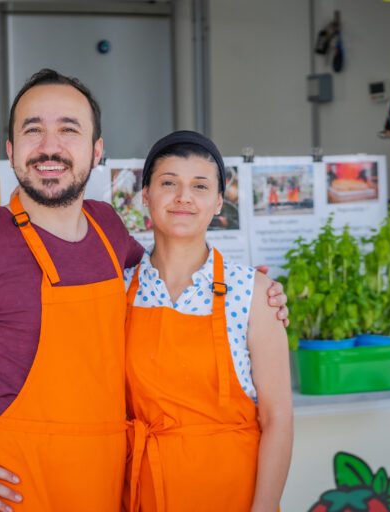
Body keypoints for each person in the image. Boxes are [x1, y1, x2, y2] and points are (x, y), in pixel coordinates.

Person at [0, 69, 289, 512]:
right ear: (10, 150)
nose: (49, 146)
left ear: (96, 151)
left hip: (105, 494)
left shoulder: (108, 229)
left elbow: (173, 279)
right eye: (33, 130)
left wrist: (255, 292)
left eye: (68, 129)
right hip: (15, 496)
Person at [123, 131, 293, 512]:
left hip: (233, 495)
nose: (184, 197)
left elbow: (278, 418)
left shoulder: (254, 294)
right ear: (146, 195)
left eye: (200, 186)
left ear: (218, 203)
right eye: (169, 183)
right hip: (142, 494)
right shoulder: (118, 290)